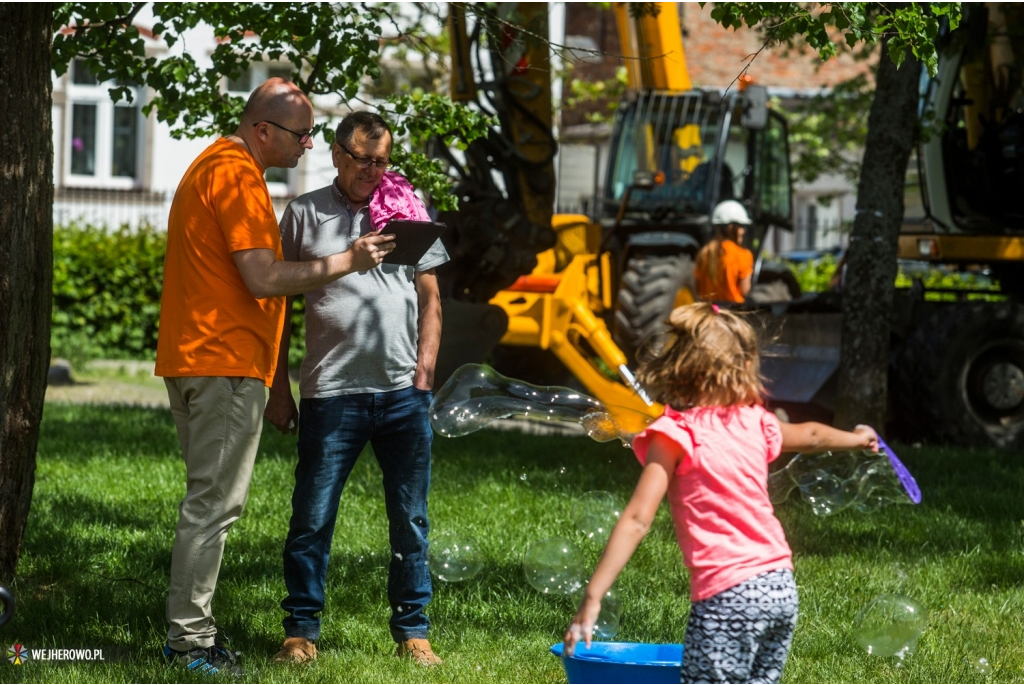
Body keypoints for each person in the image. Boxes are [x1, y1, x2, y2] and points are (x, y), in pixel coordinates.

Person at [154, 79, 396, 677]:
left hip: (197, 357)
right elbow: (263, 278)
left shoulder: (211, 164)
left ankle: (191, 635)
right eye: (300, 133)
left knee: (206, 502)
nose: (309, 144)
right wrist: (349, 260)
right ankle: (189, 644)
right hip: (224, 363)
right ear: (263, 129)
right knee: (213, 507)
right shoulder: (235, 174)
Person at [563, 303, 878, 684]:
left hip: (728, 595)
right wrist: (859, 439)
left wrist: (593, 595)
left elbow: (638, 519)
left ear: (679, 366)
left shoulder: (676, 434)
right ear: (744, 366)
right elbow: (811, 435)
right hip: (779, 585)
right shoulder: (755, 421)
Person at [265, 111, 447, 667]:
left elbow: (431, 298)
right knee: (312, 517)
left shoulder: (407, 210)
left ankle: (413, 631)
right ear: (338, 154)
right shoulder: (303, 212)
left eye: (383, 160)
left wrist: (424, 373)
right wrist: (277, 388)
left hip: (401, 395)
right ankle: (300, 630)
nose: (373, 170)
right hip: (331, 393)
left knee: (410, 519)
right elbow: (275, 305)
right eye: (363, 158)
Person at [694, 200, 755, 303]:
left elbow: (697, 289)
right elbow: (745, 291)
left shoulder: (703, 253)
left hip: (708, 312)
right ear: (730, 227)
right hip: (732, 313)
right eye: (741, 226)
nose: (743, 231)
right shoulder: (743, 255)